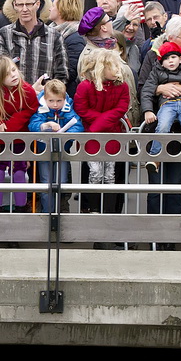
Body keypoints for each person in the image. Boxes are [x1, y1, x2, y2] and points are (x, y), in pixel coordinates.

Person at [0, 55, 40, 215]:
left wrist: (12, 124)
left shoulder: (26, 89)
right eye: (7, 74)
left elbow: (31, 108)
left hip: (19, 139)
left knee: (19, 173)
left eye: (13, 70)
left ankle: (21, 208)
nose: (13, 75)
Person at [75, 49, 131, 229]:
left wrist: (99, 123)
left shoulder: (122, 86)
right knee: (95, 172)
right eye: (113, 66)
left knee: (110, 174)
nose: (118, 70)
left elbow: (121, 108)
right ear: (101, 67)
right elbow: (81, 109)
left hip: (111, 136)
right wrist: (101, 123)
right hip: (91, 137)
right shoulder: (85, 86)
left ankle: (108, 212)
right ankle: (93, 210)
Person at [140, 41, 181, 157]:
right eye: (166, 59)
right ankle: (155, 156)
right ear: (161, 63)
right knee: (162, 127)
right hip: (166, 104)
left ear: (180, 59)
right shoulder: (156, 72)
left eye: (173, 57)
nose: (170, 61)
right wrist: (148, 110)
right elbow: (146, 91)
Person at [0, 0, 69, 86]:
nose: (25, 9)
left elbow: (62, 75)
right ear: (14, 5)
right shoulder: (4, 35)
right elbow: (0, 73)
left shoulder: (54, 37)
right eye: (20, 5)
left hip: (44, 94)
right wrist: (26, 91)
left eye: (29, 4)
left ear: (37, 4)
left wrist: (46, 91)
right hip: (14, 94)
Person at [28, 78, 83, 213]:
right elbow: (32, 124)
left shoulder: (68, 106)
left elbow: (77, 124)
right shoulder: (39, 105)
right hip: (44, 151)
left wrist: (66, 136)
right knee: (46, 183)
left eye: (59, 101)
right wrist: (44, 125)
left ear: (64, 98)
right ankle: (47, 213)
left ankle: (58, 213)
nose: (55, 104)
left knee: (62, 181)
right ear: (45, 98)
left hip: (62, 151)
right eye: (51, 101)